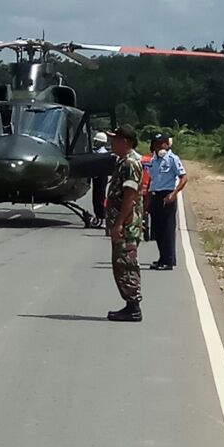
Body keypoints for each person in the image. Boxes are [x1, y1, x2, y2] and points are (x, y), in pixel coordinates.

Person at [104, 126, 144, 322]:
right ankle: (130, 304)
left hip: (127, 224)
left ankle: (133, 307)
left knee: (126, 263)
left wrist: (119, 223)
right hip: (124, 222)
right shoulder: (123, 162)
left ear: (125, 142)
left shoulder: (130, 163)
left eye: (115, 139)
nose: (112, 143)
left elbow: (130, 196)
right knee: (121, 263)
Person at [146, 133, 187, 270]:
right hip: (155, 195)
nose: (158, 146)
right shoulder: (154, 160)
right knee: (157, 229)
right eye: (156, 143)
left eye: (161, 143)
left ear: (167, 144)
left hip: (167, 195)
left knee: (167, 229)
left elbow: (183, 178)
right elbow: (151, 180)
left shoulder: (173, 159)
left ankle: (168, 260)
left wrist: (174, 194)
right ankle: (161, 258)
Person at [91, 131, 109, 228]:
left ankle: (102, 219)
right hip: (97, 177)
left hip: (101, 177)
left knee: (100, 198)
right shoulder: (98, 153)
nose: (95, 143)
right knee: (96, 198)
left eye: (96, 142)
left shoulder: (102, 154)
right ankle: (99, 218)